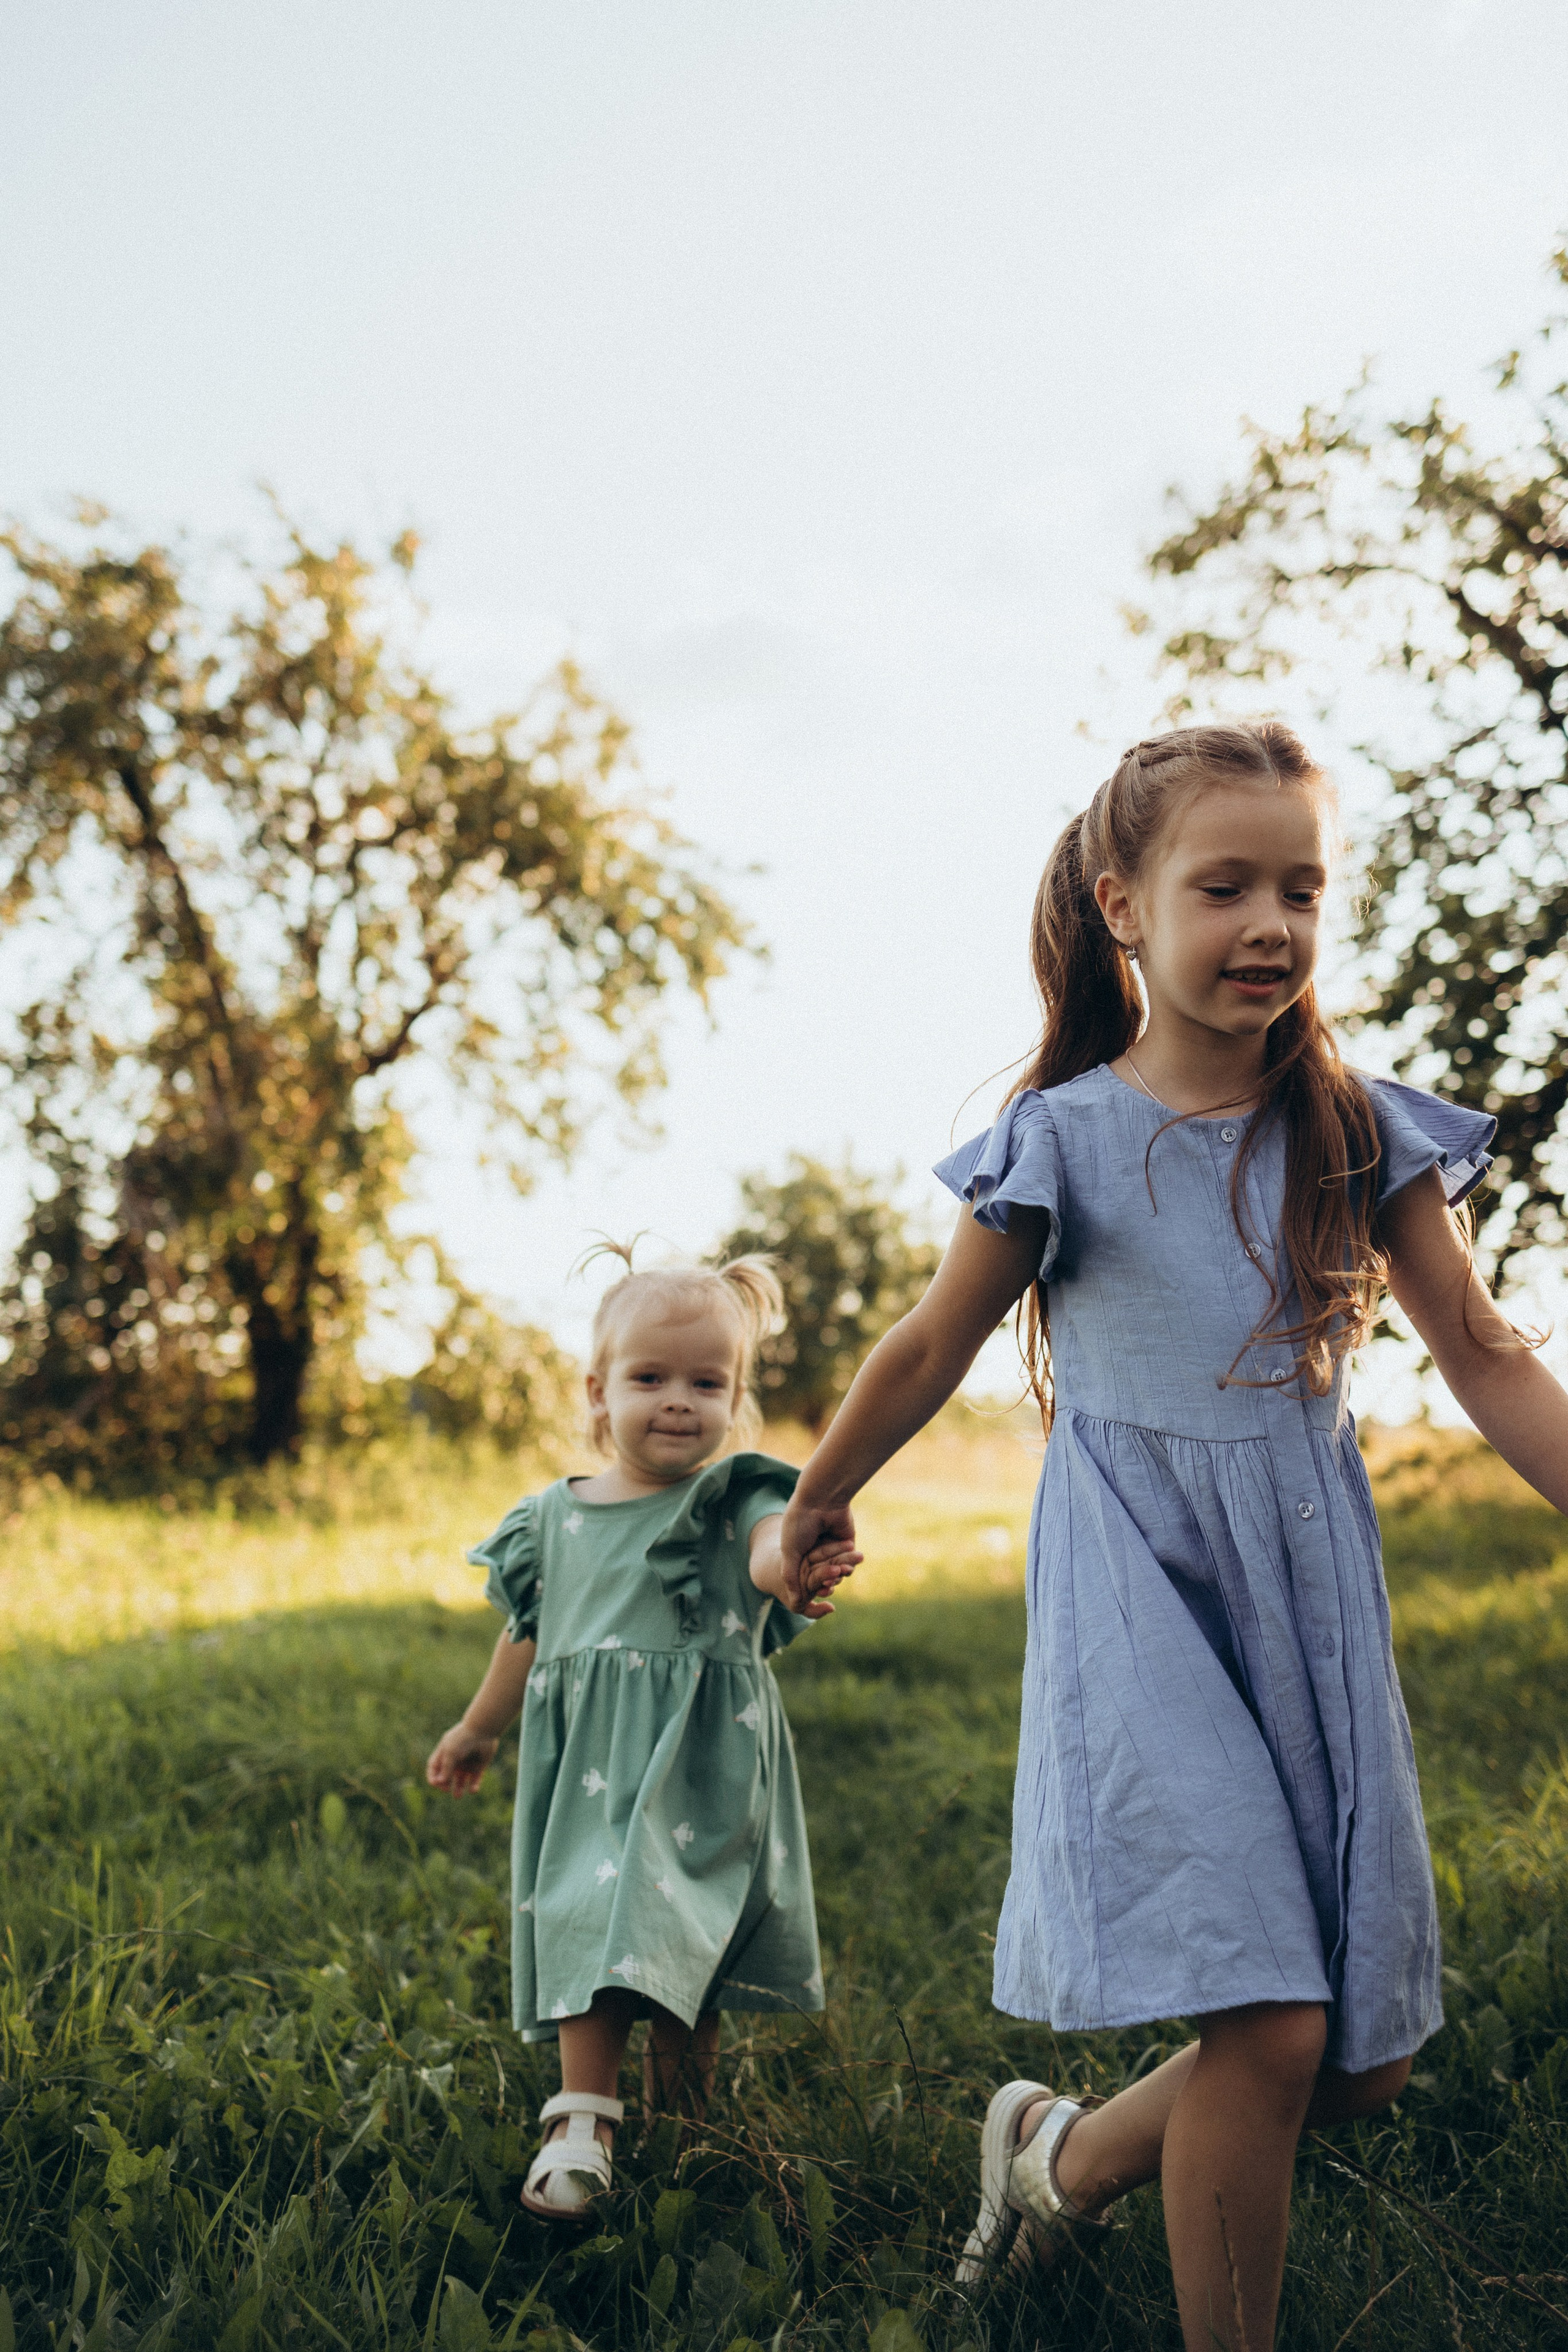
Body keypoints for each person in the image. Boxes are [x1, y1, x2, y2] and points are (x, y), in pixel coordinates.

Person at [778, 721, 1568, 2352]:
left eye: (1302, 887)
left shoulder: (1354, 1127)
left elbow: (1487, 1352)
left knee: (1354, 2064)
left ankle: (1054, 2161)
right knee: (1270, 2029)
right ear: (1123, 902)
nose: (1271, 922)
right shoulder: (1062, 1140)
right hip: (1142, 1594)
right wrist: (823, 1490)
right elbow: (929, 1343)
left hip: (1305, 1594)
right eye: (1228, 886)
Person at [427, 1251, 856, 2218]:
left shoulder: (735, 1497)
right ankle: (583, 2121)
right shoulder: (552, 1520)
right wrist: (477, 1727)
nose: (678, 1402)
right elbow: (526, 1641)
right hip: (589, 1773)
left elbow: (765, 1551)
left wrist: (792, 1564)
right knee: (594, 1912)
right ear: (597, 1391)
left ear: (737, 1399)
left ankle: (688, 2126)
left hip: (700, 1768)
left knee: (682, 1940)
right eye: (650, 1378)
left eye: (708, 1383)